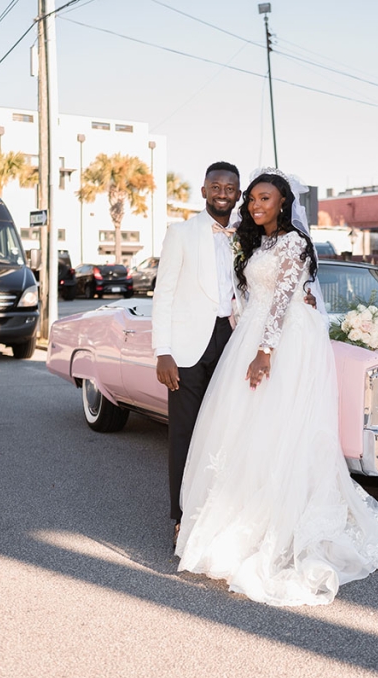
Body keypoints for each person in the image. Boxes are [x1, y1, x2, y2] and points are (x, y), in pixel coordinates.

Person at [174, 170, 378, 607]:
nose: (257, 205)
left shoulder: (295, 243)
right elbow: (249, 294)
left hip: (283, 340)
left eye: (266, 198)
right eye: (253, 199)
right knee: (247, 430)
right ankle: (239, 514)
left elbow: (281, 300)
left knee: (281, 426)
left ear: (283, 203)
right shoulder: (256, 243)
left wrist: (265, 350)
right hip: (254, 335)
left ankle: (279, 520)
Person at [152, 161, 242, 548]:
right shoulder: (181, 233)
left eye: (230, 188)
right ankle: (181, 517)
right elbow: (164, 294)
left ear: (238, 194)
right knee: (185, 436)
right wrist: (163, 351)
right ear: (204, 190)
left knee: (226, 432)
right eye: (216, 186)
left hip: (233, 338)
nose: (223, 193)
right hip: (187, 348)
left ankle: (219, 515)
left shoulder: (246, 235)